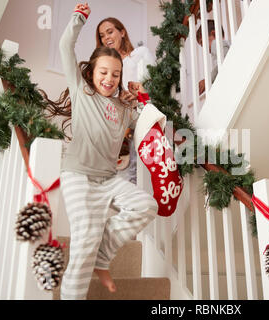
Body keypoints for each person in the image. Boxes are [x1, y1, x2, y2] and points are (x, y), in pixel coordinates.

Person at [56, 3, 158, 300]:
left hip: (108, 180)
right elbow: (65, 45)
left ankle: (103, 255)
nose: (109, 79)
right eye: (103, 72)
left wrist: (139, 98)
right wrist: (79, 18)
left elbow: (148, 121)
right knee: (85, 239)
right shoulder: (81, 91)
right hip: (78, 176)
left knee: (146, 205)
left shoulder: (125, 106)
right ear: (93, 71)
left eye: (115, 74)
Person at [96, 17, 156, 184]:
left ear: (122, 32)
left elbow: (155, 84)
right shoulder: (105, 66)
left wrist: (139, 94)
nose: (106, 38)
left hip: (139, 117)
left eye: (110, 32)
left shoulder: (140, 54)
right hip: (116, 124)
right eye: (102, 35)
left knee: (135, 174)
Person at [196, 20, 230, 95]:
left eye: (202, 43)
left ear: (213, 34)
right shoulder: (223, 45)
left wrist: (208, 80)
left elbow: (225, 61)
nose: (205, 49)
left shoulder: (216, 44)